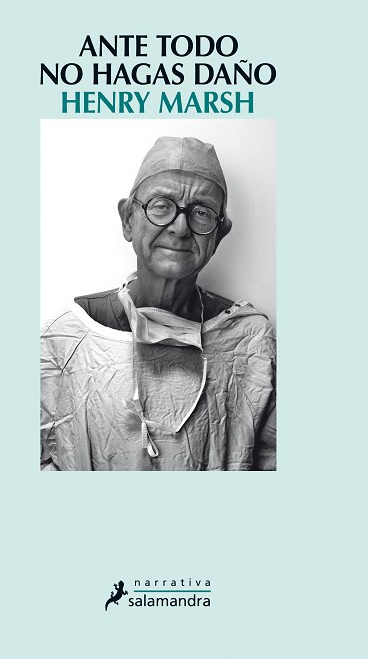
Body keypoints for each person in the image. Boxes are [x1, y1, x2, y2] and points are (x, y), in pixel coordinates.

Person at [40, 136, 276, 471]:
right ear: (128, 220)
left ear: (218, 235)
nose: (180, 227)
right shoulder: (67, 340)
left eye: (201, 212)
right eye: (161, 205)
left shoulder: (249, 344)